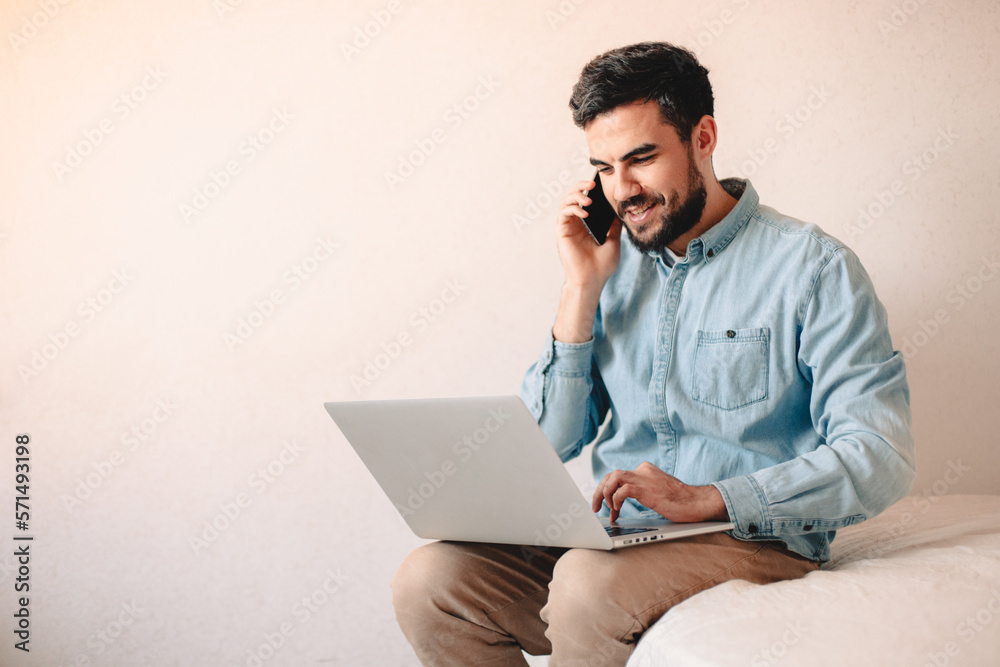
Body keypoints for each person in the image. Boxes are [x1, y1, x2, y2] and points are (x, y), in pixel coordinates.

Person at [391, 41, 916, 666]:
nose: (623, 190)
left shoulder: (813, 268)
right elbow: (549, 441)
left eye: (641, 159)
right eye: (604, 167)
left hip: (751, 540)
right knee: (429, 579)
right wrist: (581, 287)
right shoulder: (611, 266)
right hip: (616, 541)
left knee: (586, 584)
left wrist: (710, 497)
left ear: (703, 137)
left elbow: (880, 456)